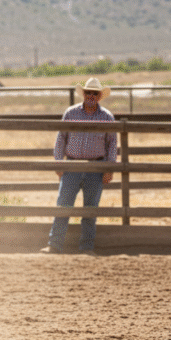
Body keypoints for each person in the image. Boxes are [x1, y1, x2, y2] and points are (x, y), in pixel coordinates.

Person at [40, 77, 119, 255]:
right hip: (72, 164)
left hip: (96, 166)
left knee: (90, 209)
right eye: (88, 92)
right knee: (63, 205)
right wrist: (59, 161)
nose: (91, 95)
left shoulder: (107, 117)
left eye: (94, 93)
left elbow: (112, 145)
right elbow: (61, 138)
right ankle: (54, 245)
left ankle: (86, 247)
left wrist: (109, 169)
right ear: (83, 94)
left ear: (99, 96)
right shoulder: (71, 113)